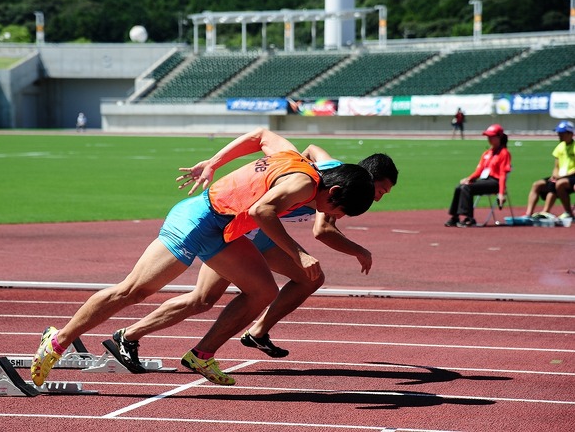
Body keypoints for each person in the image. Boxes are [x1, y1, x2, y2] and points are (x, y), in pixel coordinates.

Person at [31, 128, 375, 386]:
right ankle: (57, 341)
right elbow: (261, 211)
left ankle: (202, 355)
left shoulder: (296, 159)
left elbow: (262, 135)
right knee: (133, 291)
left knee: (263, 292)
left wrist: (215, 161)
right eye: (339, 211)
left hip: (225, 231)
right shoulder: (303, 183)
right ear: (333, 192)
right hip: (197, 220)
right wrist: (299, 254)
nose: (335, 218)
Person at [108, 149, 397, 375]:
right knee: (203, 299)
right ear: (365, 179)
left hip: (262, 233)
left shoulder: (339, 180)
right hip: (238, 229)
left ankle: (257, 332)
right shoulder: (336, 188)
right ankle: (128, 335)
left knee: (311, 278)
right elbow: (322, 230)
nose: (379, 199)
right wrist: (360, 250)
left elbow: (311, 148)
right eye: (380, 191)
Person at [445, 123, 511, 227]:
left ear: (499, 137)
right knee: (460, 187)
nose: (489, 139)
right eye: (488, 137)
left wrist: (501, 193)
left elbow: (503, 174)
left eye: (492, 137)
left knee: (466, 188)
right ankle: (455, 217)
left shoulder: (504, 153)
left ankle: (469, 217)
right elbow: (479, 171)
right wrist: (469, 178)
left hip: (495, 183)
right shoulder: (487, 153)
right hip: (484, 180)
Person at [524, 121, 575, 220]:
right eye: (558, 133)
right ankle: (528, 214)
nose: (559, 135)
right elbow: (556, 166)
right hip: (561, 176)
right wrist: (554, 175)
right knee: (537, 184)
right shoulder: (560, 147)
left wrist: (562, 177)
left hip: (572, 175)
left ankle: (567, 212)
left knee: (559, 183)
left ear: (570, 133)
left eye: (562, 133)